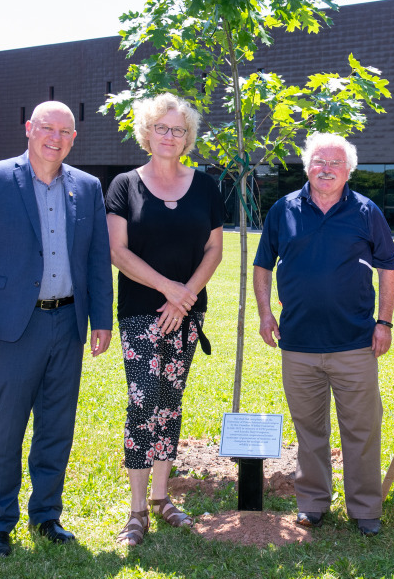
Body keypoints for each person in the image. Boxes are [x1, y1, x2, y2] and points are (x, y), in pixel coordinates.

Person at [0, 101, 113, 558]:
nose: (55, 137)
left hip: (67, 323)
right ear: (29, 129)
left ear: (73, 138)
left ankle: (46, 516)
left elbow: (96, 260)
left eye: (65, 131)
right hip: (10, 329)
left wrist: (101, 319)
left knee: (56, 428)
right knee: (5, 429)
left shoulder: (86, 188)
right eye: (47, 127)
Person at [253, 132, 394, 537]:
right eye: (319, 161)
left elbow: (389, 268)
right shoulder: (283, 210)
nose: (326, 169)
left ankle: (365, 509)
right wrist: (265, 314)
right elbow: (263, 265)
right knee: (309, 430)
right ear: (307, 166)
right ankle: (313, 503)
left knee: (362, 430)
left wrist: (384, 323)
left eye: (335, 163)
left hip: (355, 343)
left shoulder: (367, 211)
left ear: (349, 169)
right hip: (297, 345)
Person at [105, 93, 224, 547]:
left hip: (188, 312)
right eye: (161, 128)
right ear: (146, 133)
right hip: (141, 311)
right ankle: (136, 511)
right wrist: (168, 290)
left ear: (187, 137)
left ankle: (160, 498)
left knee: (170, 402)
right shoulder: (124, 185)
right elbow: (118, 251)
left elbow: (214, 249)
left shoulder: (206, 185)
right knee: (143, 401)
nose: (169, 136)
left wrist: (186, 296)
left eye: (178, 130)